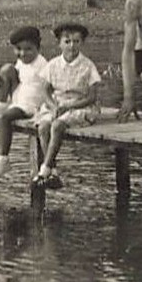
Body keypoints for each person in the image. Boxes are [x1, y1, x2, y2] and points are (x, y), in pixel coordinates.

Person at [32, 21, 103, 189]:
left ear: (82, 43)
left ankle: (44, 170)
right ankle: (53, 171)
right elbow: (45, 91)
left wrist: (70, 107)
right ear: (59, 43)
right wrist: (52, 105)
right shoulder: (54, 64)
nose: (72, 46)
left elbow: (92, 97)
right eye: (67, 41)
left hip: (81, 106)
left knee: (57, 126)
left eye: (76, 42)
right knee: (43, 127)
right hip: (58, 104)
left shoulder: (87, 65)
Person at [0, 25, 51, 177]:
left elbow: (51, 87)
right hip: (19, 98)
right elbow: (15, 78)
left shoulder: (43, 65)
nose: (22, 53)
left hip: (30, 106)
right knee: (6, 69)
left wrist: (48, 109)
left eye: (28, 49)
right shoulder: (20, 62)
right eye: (18, 49)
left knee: (3, 119)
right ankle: (0, 104)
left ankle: (3, 161)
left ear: (38, 48)